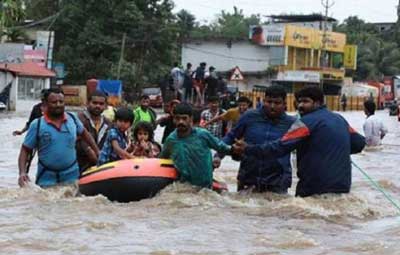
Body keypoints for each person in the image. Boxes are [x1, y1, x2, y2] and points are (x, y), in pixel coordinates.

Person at [233, 86, 366, 197]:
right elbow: (359, 143)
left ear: (318, 103)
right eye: (299, 102)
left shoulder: (305, 123)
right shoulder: (339, 119)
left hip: (312, 187)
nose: (300, 106)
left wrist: (248, 148)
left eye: (306, 102)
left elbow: (279, 148)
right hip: (342, 187)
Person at [214, 86, 296, 193]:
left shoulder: (292, 123)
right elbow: (231, 137)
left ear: (285, 104)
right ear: (263, 101)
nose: (272, 106)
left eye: (277, 103)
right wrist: (218, 156)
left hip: (277, 180)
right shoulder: (250, 116)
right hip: (248, 176)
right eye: (269, 101)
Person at [18, 88, 100, 188]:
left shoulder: (73, 119)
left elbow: (86, 135)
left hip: (71, 175)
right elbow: (25, 149)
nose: (58, 105)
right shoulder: (37, 124)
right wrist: (22, 172)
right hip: (46, 177)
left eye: (61, 101)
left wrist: (97, 152)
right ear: (45, 104)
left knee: (74, 201)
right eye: (54, 102)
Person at [159, 103, 233, 188]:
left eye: (184, 118)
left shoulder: (203, 135)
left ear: (191, 119)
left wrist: (236, 150)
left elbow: (222, 147)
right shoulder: (170, 140)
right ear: (173, 120)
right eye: (177, 118)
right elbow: (161, 160)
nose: (181, 122)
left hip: (205, 188)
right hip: (184, 189)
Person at [76, 91, 112, 172]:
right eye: (94, 103)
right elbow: (79, 141)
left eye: (101, 104)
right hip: (80, 165)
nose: (97, 106)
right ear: (88, 103)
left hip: (101, 167)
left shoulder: (108, 123)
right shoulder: (79, 119)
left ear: (106, 106)